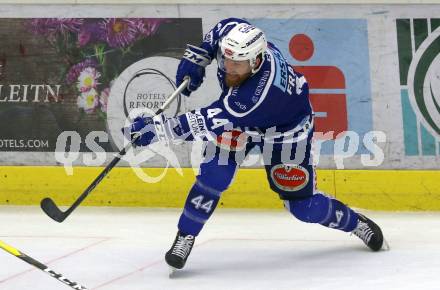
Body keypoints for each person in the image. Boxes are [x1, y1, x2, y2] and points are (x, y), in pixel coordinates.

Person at [127, 18, 387, 272]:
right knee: (214, 176)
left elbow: (205, 121)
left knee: (303, 207)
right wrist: (198, 56)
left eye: (237, 64)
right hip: (239, 121)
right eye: (226, 59)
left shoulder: (255, 94)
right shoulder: (237, 44)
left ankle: (355, 223)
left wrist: (156, 129)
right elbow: (223, 26)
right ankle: (186, 235)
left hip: (286, 131)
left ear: (256, 61)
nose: (229, 68)